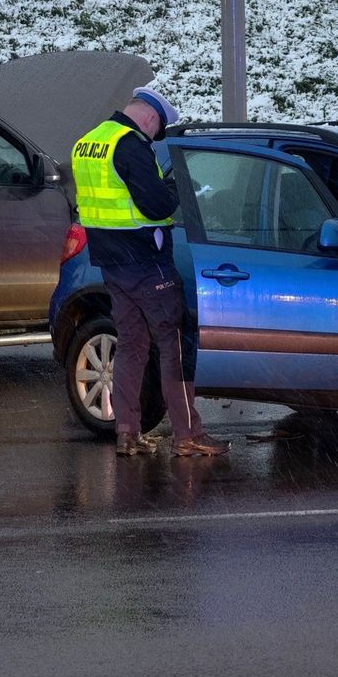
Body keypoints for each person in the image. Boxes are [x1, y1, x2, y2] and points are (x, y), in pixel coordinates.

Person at [70, 86, 230, 458]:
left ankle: (127, 432)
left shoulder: (88, 142)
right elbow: (157, 207)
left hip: (111, 262)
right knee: (174, 343)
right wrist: (176, 187)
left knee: (131, 344)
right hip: (145, 260)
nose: (153, 136)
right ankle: (187, 434)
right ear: (150, 117)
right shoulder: (129, 145)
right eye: (156, 130)